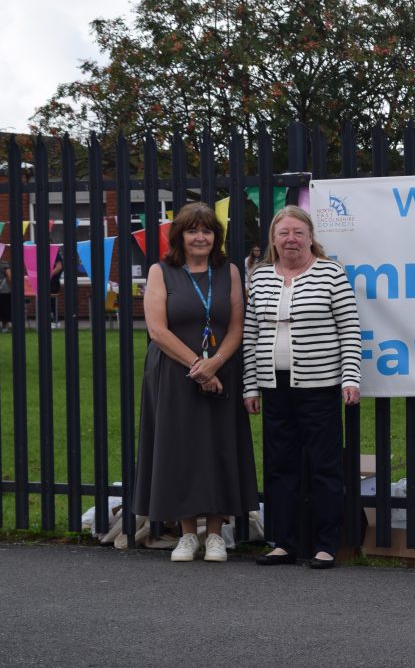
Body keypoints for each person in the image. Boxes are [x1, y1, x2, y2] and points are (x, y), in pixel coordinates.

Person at [133, 202, 260, 562]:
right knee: (181, 449)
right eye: (193, 230)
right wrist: (197, 367)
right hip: (174, 372)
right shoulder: (161, 271)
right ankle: (188, 535)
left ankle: (217, 534)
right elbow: (157, 330)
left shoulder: (229, 271)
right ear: (180, 236)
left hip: (223, 370)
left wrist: (215, 364)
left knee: (219, 447)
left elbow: (237, 326)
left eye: (207, 230)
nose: (200, 236)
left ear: (216, 237)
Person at [243, 205, 361, 568]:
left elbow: (349, 328)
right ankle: (284, 542)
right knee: (280, 466)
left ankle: (326, 544)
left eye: (298, 232)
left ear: (311, 238)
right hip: (273, 386)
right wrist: (250, 384)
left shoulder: (330, 274)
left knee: (325, 467)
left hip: (320, 385)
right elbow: (250, 333)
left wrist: (350, 376)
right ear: (273, 240)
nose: (291, 239)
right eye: (284, 233)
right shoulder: (259, 277)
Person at [0, 254, 12, 332]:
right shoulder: (4, 264)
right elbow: (9, 276)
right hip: (4, 290)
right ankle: (4, 327)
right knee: (5, 308)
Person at [49, 251, 63, 328]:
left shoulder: (55, 253)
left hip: (53, 283)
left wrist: (49, 275)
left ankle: (55, 320)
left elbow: (59, 267)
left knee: (52, 301)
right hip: (47, 282)